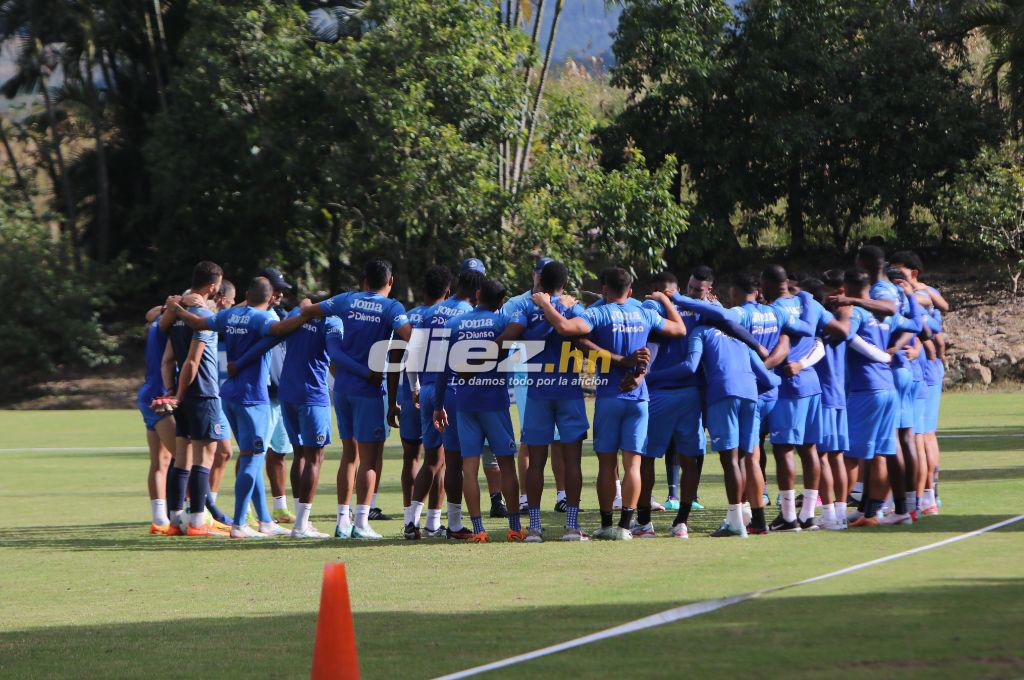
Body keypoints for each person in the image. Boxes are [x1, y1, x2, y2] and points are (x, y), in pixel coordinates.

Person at [532, 267, 686, 540]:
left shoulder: (599, 313)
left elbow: (566, 328)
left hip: (610, 396)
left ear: (604, 289)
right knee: (633, 465)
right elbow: (679, 328)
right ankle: (627, 526)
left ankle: (605, 525)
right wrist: (664, 301)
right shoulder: (644, 312)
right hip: (639, 398)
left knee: (606, 464)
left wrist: (546, 304)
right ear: (629, 290)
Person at [172, 277, 312, 538]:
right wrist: (305, 313)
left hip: (229, 395)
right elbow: (283, 329)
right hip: (253, 398)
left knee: (251, 456)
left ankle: (266, 521)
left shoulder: (231, 315)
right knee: (252, 458)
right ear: (270, 299)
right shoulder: (263, 320)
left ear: (247, 293)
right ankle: (239, 523)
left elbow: (200, 323)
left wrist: (178, 310)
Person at [303, 259, 413, 539]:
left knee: (349, 456)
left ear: (364, 281)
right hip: (368, 391)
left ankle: (342, 521)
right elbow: (409, 336)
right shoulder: (392, 307)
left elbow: (310, 310)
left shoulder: (346, 300)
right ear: (390, 282)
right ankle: (362, 523)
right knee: (370, 458)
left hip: (341, 389)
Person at [231, 291, 341, 538]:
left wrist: (240, 362)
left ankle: (298, 521)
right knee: (315, 457)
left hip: (287, 393)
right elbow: (336, 356)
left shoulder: (295, 315)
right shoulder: (331, 320)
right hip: (313, 394)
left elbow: (269, 340)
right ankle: (302, 525)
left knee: (299, 453)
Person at [500, 261, 590, 541]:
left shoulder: (526, 308)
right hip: (568, 390)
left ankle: (535, 528)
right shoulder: (573, 306)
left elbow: (505, 341)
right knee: (572, 460)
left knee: (535, 461)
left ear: (539, 281)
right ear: (564, 283)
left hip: (538, 392)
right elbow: (586, 335)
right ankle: (572, 526)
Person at [670, 314, 780, 537]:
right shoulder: (739, 338)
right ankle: (755, 520)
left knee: (729, 460)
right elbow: (768, 380)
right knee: (747, 458)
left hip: (723, 395)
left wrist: (653, 377)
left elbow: (691, 366)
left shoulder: (700, 331)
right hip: (750, 396)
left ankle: (736, 523)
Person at [434, 279, 523, 543]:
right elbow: (510, 354)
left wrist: (438, 405)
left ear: (477, 294)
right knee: (506, 464)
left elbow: (443, 369)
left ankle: (478, 530)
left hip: (465, 404)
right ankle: (515, 528)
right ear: (499, 302)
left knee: (469, 468)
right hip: (494, 402)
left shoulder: (454, 323)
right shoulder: (501, 323)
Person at [404, 267, 486, 540]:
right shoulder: (467, 315)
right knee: (453, 461)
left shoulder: (429, 312)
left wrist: (415, 387)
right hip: (449, 392)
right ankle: (453, 524)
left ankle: (411, 523)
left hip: (426, 389)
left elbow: (411, 355)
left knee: (431, 460)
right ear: (477, 293)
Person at [834, 269, 920, 527]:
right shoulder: (884, 315)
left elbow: (847, 335)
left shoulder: (858, 313)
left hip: (866, 388)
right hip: (887, 387)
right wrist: (911, 297)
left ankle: (851, 514)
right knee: (880, 453)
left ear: (847, 288)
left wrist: (880, 355)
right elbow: (916, 324)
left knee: (857, 454)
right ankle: (871, 513)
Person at [761, 265, 844, 531]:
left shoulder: (775, 311)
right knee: (809, 449)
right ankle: (808, 514)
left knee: (784, 448)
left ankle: (788, 516)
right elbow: (840, 330)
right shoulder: (809, 303)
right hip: (813, 384)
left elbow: (781, 347)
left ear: (767, 285)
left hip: (789, 385)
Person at [728, 272, 811, 533]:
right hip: (772, 390)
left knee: (748, 455)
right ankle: (787, 515)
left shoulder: (740, 313)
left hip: (749, 389)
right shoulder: (775, 313)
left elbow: (721, 319)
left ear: (736, 292)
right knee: (770, 451)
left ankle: (756, 519)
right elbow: (805, 330)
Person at [164, 261, 227, 537]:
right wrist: (179, 393)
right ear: (212, 286)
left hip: (183, 394)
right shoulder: (201, 315)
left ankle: (175, 519)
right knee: (206, 456)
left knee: (182, 457)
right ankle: (198, 521)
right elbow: (192, 361)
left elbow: (169, 360)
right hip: (202, 392)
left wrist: (172, 391)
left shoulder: (178, 315)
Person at [392, 268, 449, 536]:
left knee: (411, 456)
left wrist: (395, 397)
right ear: (447, 291)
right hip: (433, 389)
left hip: (409, 390)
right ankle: (431, 522)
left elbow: (396, 359)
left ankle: (408, 517)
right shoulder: (446, 316)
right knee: (439, 457)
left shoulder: (409, 317)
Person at [260, 266, 298, 524]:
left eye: (282, 291)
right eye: (276, 290)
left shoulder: (282, 315)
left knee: (279, 452)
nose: (280, 295)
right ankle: (251, 510)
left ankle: (280, 507)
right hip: (262, 395)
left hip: (283, 395)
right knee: (255, 452)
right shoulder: (253, 315)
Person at [140, 299, 179, 534]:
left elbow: (150, 312)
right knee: (184, 460)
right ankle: (186, 514)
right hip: (161, 397)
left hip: (148, 394)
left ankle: (159, 519)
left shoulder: (156, 320)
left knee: (160, 461)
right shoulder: (168, 326)